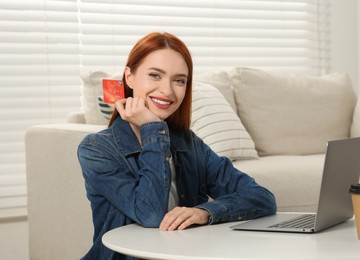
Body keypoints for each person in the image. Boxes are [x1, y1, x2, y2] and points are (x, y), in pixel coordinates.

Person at [78, 32, 277, 260]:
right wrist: (152, 128)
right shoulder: (97, 149)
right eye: (155, 75)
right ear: (130, 77)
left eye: (179, 80)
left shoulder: (189, 144)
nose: (168, 91)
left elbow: (262, 198)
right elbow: (150, 214)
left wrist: (205, 212)